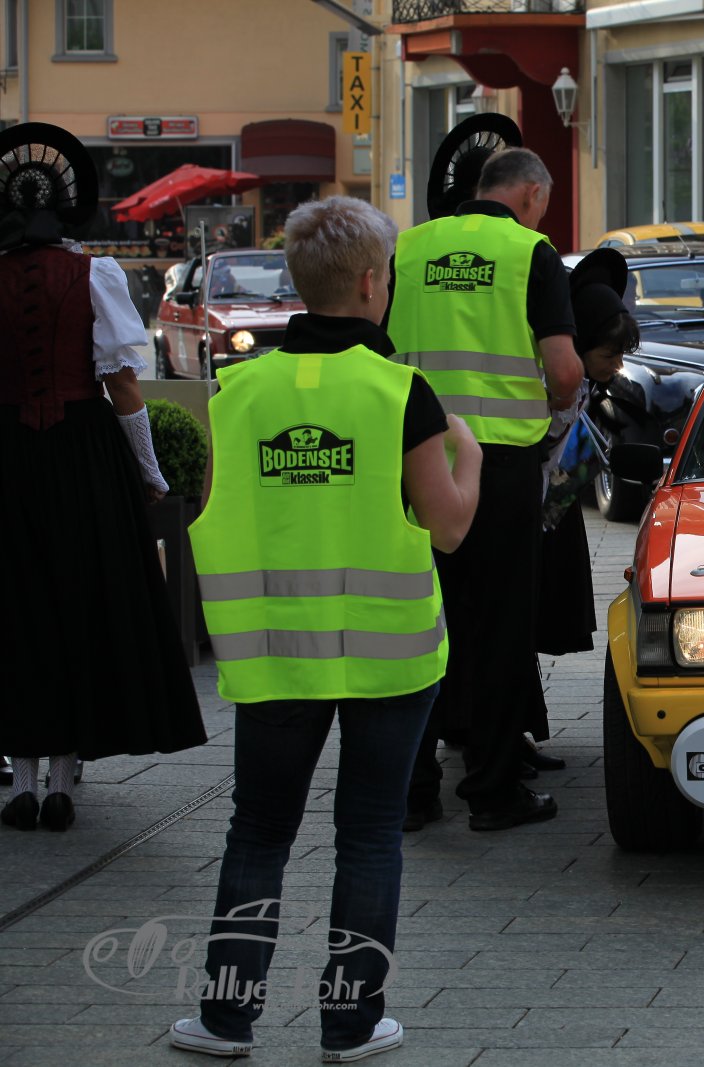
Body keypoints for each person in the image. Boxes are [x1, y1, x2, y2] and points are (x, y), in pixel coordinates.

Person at [171, 196, 482, 1062]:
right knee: (369, 835)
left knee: (258, 832)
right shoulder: (401, 393)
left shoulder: (237, 392)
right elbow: (450, 526)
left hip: (273, 657)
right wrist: (471, 454)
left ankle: (225, 1018)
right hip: (390, 658)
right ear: (372, 283)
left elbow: (216, 511)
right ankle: (350, 1025)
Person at [0, 122, 205, 834]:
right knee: (77, 604)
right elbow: (122, 384)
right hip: (82, 456)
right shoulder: (94, 274)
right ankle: (60, 782)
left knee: (18, 608)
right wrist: (149, 470)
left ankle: (24, 781)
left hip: (9, 456)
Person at [388, 146, 583, 832]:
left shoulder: (408, 248)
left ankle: (413, 792)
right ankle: (493, 791)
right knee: (499, 629)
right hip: (500, 465)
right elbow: (565, 372)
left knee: (420, 625)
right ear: (530, 194)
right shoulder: (530, 253)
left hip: (416, 460)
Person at [526, 248, 640, 755]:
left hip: (551, 515)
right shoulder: (546, 386)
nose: (617, 366)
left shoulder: (587, 386)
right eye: (609, 355)